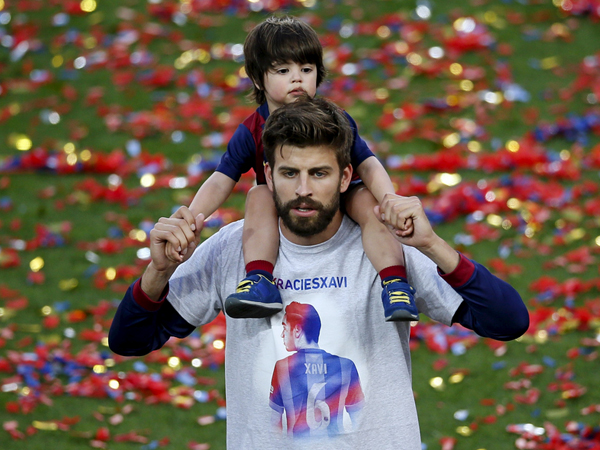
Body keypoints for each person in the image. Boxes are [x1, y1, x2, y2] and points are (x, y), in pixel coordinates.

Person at [109, 97, 529, 449]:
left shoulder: (386, 245)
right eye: (290, 174)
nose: (304, 189)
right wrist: (157, 273)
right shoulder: (230, 250)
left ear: (347, 176)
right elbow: (129, 340)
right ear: (269, 175)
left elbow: (509, 321)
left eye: (320, 173)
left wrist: (433, 245)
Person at [170, 15, 418, 322]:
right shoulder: (252, 129)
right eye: (283, 70)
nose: (297, 78)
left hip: (337, 196)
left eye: (306, 69)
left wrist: (389, 199)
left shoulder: (333, 120)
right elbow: (222, 178)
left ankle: (394, 283)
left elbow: (367, 164)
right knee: (258, 195)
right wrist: (192, 219)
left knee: (370, 203)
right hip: (286, 202)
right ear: (259, 79)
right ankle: (260, 280)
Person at [270, 302, 364, 437]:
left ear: (297, 331)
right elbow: (360, 421)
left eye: (284, 328)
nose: (282, 334)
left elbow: (274, 426)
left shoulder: (282, 367)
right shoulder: (346, 366)